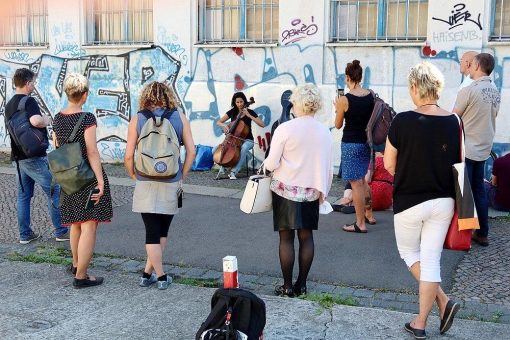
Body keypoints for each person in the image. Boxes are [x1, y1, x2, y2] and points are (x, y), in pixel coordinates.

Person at [384, 62, 461, 339]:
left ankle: (438, 305)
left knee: (409, 253)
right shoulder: (454, 121)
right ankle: (425, 318)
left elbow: (389, 164)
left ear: (415, 87)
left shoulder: (402, 120)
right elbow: (459, 162)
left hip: (410, 199)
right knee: (431, 259)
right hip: (444, 200)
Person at [125, 81, 195, 290]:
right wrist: (182, 174)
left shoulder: (137, 119)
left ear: (145, 96)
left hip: (145, 179)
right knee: (162, 231)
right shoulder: (179, 118)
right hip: (171, 179)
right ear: (168, 96)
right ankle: (161, 276)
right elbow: (191, 151)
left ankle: (149, 274)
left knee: (152, 232)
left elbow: (128, 156)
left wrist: (134, 175)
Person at [265, 84, 333, 297]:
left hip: (285, 190)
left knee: (286, 239)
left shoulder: (285, 128)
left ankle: (287, 287)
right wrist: (324, 193)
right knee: (307, 237)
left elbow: (271, 162)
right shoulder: (324, 132)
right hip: (311, 191)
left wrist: (266, 168)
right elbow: (328, 166)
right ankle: (301, 285)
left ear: (298, 104)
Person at [52, 73, 113, 288]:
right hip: (87, 176)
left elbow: (57, 145)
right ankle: (81, 276)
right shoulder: (87, 118)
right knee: (89, 225)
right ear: (85, 95)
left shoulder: (57, 118)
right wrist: (100, 181)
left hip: (68, 177)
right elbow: (92, 151)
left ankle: (77, 265)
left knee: (75, 223)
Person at [4, 68, 68, 244]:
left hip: (18, 158)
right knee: (55, 190)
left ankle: (25, 235)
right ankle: (61, 231)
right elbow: (35, 121)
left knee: (23, 196)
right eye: (33, 82)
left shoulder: (9, 104)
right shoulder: (29, 101)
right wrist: (46, 119)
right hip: (34, 158)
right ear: (27, 83)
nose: (34, 85)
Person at [453, 53, 501, 247]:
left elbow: (454, 118)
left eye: (472, 64)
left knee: (464, 192)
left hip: (466, 148)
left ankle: (464, 237)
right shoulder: (495, 92)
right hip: (483, 148)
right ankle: (482, 233)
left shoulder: (469, 90)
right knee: (479, 191)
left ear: (479, 66)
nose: (470, 67)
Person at [334, 59, 376, 233]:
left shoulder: (344, 99)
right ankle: (369, 214)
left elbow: (337, 125)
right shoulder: (370, 95)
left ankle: (360, 223)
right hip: (366, 143)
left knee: (356, 184)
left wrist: (337, 108)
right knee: (363, 181)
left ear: (347, 77)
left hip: (350, 143)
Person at [215, 92, 265, 179]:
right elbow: (219, 122)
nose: (239, 104)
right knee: (215, 150)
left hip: (248, 140)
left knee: (244, 147)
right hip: (233, 141)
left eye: (241, 102)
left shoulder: (250, 112)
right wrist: (225, 126)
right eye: (237, 102)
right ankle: (224, 166)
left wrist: (249, 115)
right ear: (234, 102)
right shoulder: (232, 112)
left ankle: (234, 171)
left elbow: (262, 124)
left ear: (244, 101)